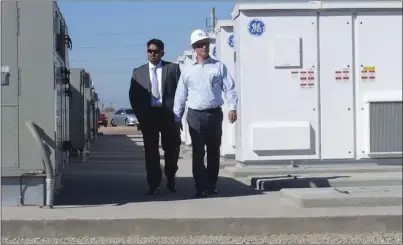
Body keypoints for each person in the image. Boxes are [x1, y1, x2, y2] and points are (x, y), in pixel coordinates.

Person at [173, 29, 238, 198]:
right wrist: (177, 116)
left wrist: (232, 107)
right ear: (194, 48)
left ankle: (212, 184)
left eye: (206, 44)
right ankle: (200, 186)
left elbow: (229, 88)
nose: (204, 48)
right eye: (200, 45)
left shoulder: (218, 66)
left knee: (214, 151)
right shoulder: (188, 70)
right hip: (195, 115)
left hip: (214, 114)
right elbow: (181, 94)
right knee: (198, 152)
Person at [129, 38, 182, 195]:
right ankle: (154, 184)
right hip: (149, 117)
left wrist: (179, 115)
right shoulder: (138, 72)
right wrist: (141, 115)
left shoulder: (173, 69)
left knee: (171, 150)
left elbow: (181, 93)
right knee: (151, 152)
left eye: (156, 51)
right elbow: (134, 96)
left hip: (168, 116)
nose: (152, 54)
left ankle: (170, 176)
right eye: (149, 51)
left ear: (162, 53)